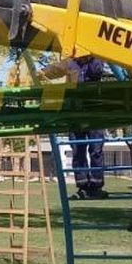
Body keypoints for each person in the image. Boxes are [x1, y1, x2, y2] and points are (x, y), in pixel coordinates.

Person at [40, 54, 109, 199]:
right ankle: (83, 186)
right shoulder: (70, 63)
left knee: (96, 148)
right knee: (78, 149)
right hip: (76, 112)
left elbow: (97, 71)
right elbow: (55, 69)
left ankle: (96, 186)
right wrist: (41, 72)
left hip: (93, 111)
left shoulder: (95, 60)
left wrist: (93, 56)